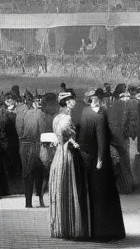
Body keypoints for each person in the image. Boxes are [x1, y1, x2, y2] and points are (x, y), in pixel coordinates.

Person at [75, 87, 125, 242]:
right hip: (97, 159)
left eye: (95, 97)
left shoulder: (87, 112)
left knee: (93, 193)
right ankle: (103, 231)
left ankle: (94, 231)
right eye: (93, 97)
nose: (94, 99)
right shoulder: (100, 114)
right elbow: (103, 141)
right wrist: (101, 159)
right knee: (101, 194)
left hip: (89, 158)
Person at [48, 89, 89, 240]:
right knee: (72, 186)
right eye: (72, 100)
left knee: (62, 187)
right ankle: (72, 227)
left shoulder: (57, 117)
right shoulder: (67, 119)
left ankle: (63, 225)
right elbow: (71, 141)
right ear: (67, 102)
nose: (74, 102)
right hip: (68, 155)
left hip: (59, 154)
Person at [18, 91, 54, 208]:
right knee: (40, 173)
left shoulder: (21, 114)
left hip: (24, 146)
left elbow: (18, 130)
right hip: (37, 146)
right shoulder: (41, 114)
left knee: (27, 174)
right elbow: (44, 133)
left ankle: (28, 202)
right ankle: (40, 200)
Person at [106, 84, 134, 194]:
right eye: (123, 96)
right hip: (117, 138)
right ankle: (122, 186)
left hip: (119, 138)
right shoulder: (115, 106)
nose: (126, 98)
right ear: (119, 96)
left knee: (121, 160)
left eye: (127, 96)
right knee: (119, 160)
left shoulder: (114, 105)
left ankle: (122, 186)